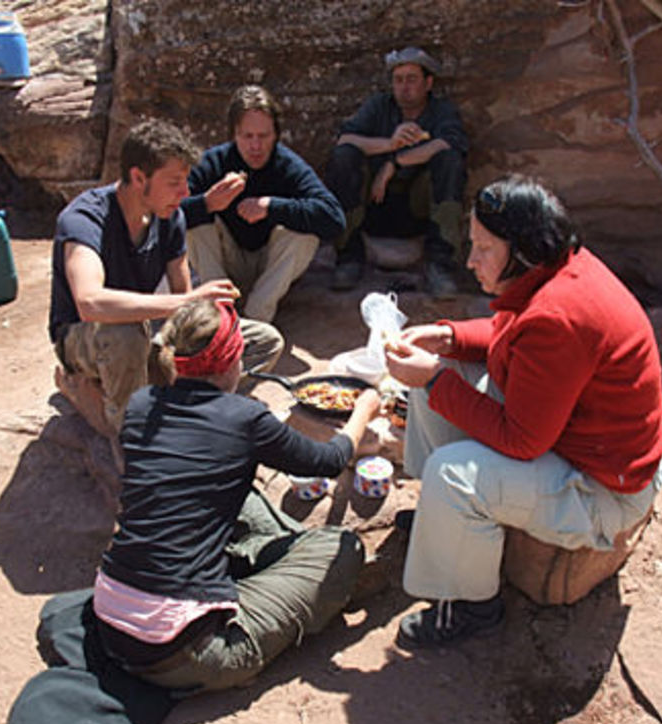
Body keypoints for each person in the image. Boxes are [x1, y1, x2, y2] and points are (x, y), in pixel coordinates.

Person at [385, 174, 662, 648]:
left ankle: (472, 607)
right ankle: (448, 522)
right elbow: (509, 333)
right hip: (575, 443)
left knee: (452, 471)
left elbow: (523, 440)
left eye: (483, 248)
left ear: (520, 253)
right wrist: (449, 338)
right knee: (439, 376)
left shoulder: (559, 316)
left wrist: (435, 377)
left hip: (603, 490)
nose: (470, 259)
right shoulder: (559, 271)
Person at [92, 298, 382, 691]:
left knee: (239, 497)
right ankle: (250, 608)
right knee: (342, 547)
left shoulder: (143, 403)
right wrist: (364, 408)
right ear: (233, 362)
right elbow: (330, 459)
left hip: (111, 617)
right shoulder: (245, 419)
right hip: (186, 651)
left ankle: (262, 565)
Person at [48, 118, 285, 439]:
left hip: (149, 329)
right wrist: (185, 302)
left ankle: (175, 407)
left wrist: (206, 318)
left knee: (262, 341)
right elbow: (90, 302)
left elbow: (184, 306)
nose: (186, 192)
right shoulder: (85, 219)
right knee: (126, 335)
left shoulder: (170, 215)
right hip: (87, 337)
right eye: (175, 182)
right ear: (138, 177)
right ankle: (129, 432)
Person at [180, 85, 346, 323]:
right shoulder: (214, 162)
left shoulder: (287, 165)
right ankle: (221, 314)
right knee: (194, 225)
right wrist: (207, 203)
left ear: (275, 134)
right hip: (225, 263)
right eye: (247, 136)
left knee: (305, 235)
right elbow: (165, 214)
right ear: (234, 134)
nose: (255, 146)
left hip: (270, 269)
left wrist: (271, 207)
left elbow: (334, 219)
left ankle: (257, 319)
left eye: (263, 136)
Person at [325, 46, 468, 297]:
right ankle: (348, 257)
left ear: (428, 82)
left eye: (412, 79)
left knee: (449, 161)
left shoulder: (439, 110)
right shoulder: (380, 106)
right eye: (398, 80)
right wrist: (389, 144)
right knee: (344, 157)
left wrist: (395, 162)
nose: (404, 87)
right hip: (374, 205)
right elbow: (345, 139)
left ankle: (440, 265)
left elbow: (449, 143)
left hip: (417, 208)